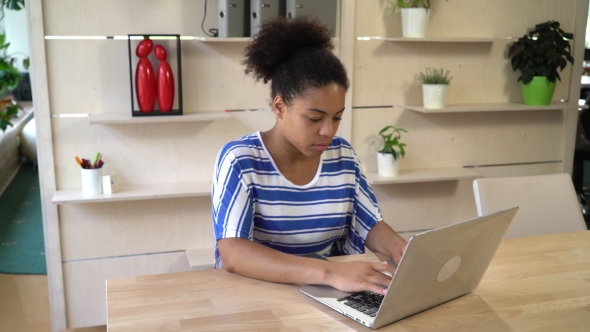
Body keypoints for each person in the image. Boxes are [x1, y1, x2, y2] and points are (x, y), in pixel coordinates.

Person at [212, 16, 407, 295]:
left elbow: (369, 224)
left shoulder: (343, 156)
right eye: (314, 118)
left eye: (337, 117)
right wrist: (329, 272)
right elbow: (233, 252)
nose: (328, 131)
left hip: (328, 293)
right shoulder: (240, 160)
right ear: (280, 107)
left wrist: (402, 249)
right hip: (258, 297)